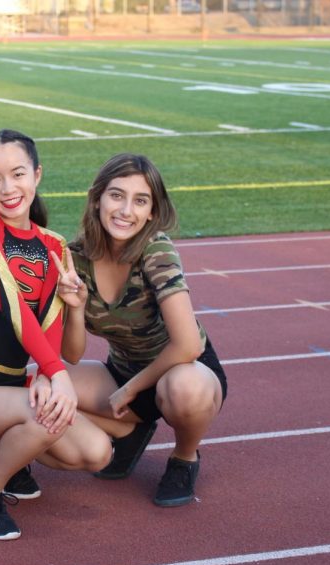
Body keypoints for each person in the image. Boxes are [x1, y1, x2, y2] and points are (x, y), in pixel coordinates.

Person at [0, 129, 111, 541]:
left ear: (37, 175)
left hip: (13, 389)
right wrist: (54, 375)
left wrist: (76, 309)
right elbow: (13, 304)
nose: (8, 188)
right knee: (48, 412)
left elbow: (70, 350)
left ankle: (1, 447)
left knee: (96, 452)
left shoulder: (54, 245)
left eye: (18, 174)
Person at [55, 153, 228, 507]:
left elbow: (187, 345)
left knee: (184, 388)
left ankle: (184, 457)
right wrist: (74, 310)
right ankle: (131, 432)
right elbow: (70, 355)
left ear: (152, 211)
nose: (126, 210)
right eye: (116, 195)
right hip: (122, 372)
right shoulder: (76, 257)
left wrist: (129, 391)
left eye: (140, 200)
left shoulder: (157, 250)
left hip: (183, 371)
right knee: (39, 387)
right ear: (97, 198)